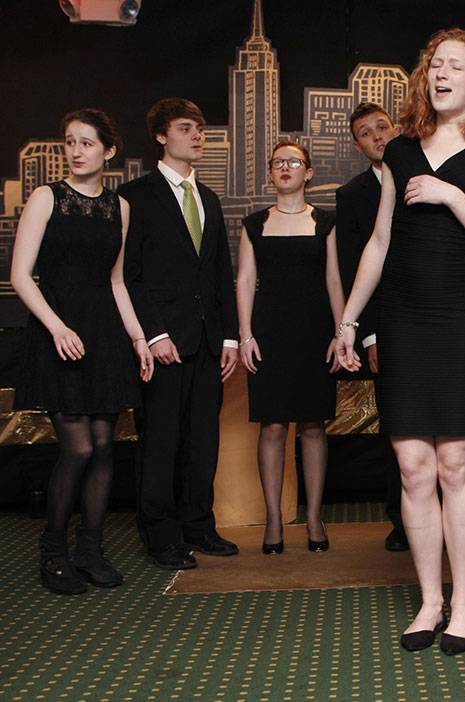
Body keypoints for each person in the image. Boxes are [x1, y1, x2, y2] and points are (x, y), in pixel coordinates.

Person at [334, 28, 465, 656]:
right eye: (434, 64)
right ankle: (430, 600)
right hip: (404, 319)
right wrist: (349, 322)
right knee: (414, 468)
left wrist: (450, 195)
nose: (442, 72)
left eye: (455, 65)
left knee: (454, 464)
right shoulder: (402, 151)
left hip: (463, 319)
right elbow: (380, 244)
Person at [12, 109, 153, 594]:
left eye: (87, 143)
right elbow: (19, 275)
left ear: (109, 151)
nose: (76, 151)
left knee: (105, 447)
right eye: (70, 142)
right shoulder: (45, 197)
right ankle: (53, 552)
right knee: (80, 448)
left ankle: (90, 551)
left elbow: (116, 282)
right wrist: (56, 327)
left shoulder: (121, 208)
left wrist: (138, 338)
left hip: (106, 336)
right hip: (59, 334)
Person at [121, 97, 240, 570]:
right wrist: (154, 334)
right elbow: (130, 277)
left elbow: (217, 275)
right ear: (160, 135)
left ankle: (199, 526)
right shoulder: (136, 196)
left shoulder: (208, 197)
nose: (197, 136)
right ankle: (161, 536)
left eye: (200, 129)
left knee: (203, 441)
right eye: (186, 128)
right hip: (164, 344)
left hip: (209, 343)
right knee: (161, 442)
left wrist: (229, 337)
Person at [237, 142, 343, 554]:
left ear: (309, 173)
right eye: (277, 161)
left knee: (314, 426)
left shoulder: (327, 223)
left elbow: (335, 281)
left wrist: (340, 332)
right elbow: (244, 282)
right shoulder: (254, 223)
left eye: (293, 162)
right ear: (270, 172)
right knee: (274, 427)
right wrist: (246, 335)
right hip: (269, 334)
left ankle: (314, 517)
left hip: (316, 332)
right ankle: (274, 520)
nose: (285, 167)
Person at [334, 102, 408, 552]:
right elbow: (353, 267)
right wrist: (370, 332)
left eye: (383, 126)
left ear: (397, 128)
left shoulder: (425, 177)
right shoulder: (352, 195)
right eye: (367, 132)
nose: (378, 136)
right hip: (387, 326)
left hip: (436, 318)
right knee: (397, 427)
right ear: (358, 145)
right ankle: (402, 520)